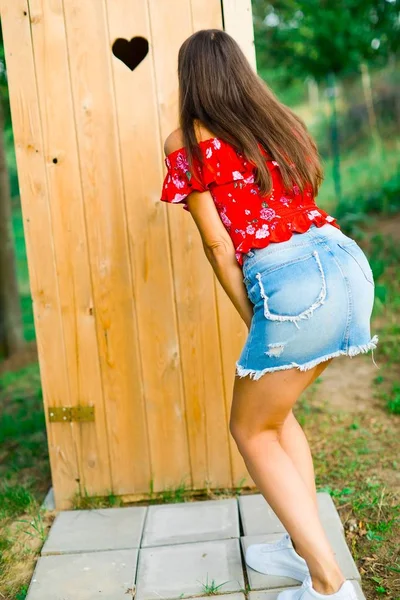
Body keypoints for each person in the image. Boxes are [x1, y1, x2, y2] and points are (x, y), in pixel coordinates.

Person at [160, 29, 378, 600]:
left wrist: (252, 312)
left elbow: (217, 245)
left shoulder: (186, 140)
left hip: (291, 281)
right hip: (347, 263)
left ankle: (329, 584)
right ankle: (296, 545)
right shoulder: (279, 125)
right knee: (276, 417)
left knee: (248, 427)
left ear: (191, 80)